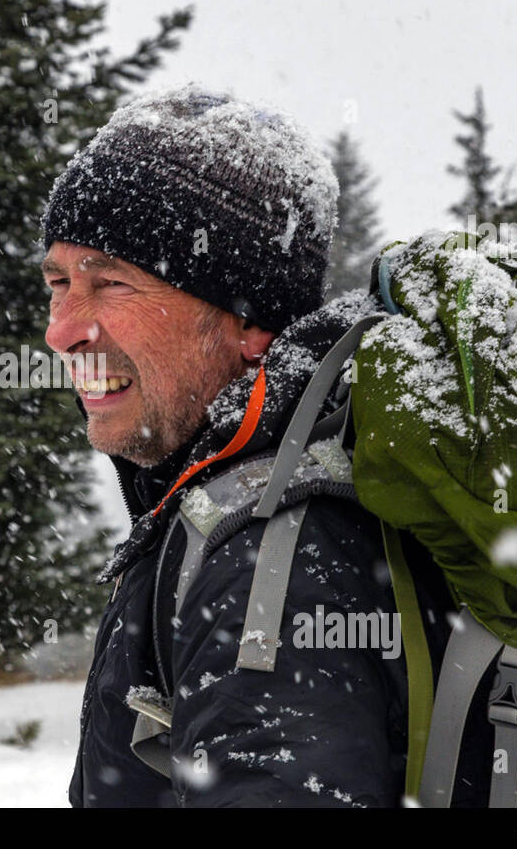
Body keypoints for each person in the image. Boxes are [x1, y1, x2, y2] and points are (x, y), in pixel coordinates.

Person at [38, 83, 413, 807]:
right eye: (58, 282)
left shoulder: (272, 551)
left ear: (250, 320)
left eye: (111, 284)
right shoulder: (226, 510)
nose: (61, 329)